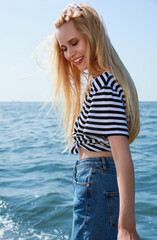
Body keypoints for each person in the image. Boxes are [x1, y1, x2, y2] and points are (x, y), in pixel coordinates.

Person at [49, 2, 141, 240]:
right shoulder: (101, 82)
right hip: (95, 182)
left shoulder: (103, 85)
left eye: (74, 43)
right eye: (64, 48)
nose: (69, 54)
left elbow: (122, 156)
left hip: (96, 182)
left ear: (94, 36)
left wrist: (126, 226)